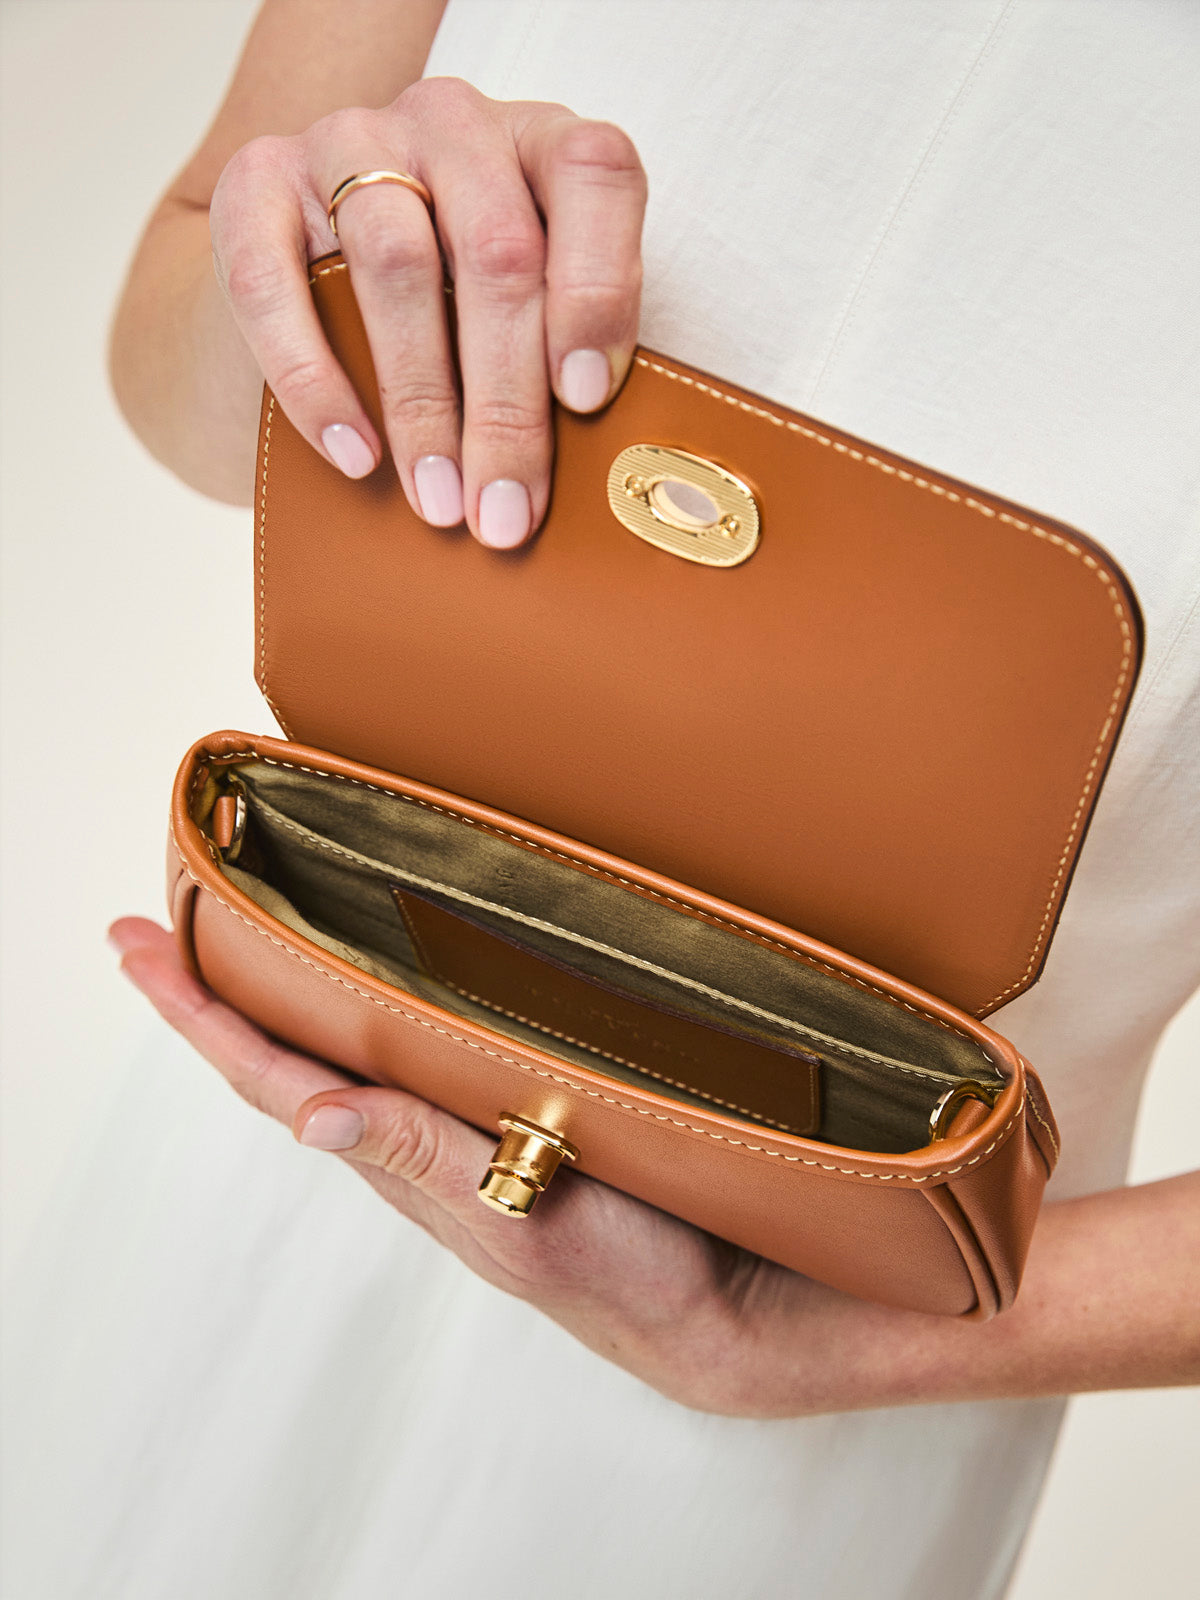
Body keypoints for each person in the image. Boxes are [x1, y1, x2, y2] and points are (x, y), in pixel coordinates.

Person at [36, 1, 1200, 1595]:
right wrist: (310, 274)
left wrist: (787, 1352)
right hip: (274, 1117)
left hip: (831, 1359)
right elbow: (174, 382)